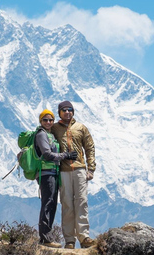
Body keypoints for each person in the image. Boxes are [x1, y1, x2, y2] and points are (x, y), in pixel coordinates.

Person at [51, 101, 96, 249]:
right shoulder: (54, 128)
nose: (67, 112)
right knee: (67, 204)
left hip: (80, 170)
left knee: (82, 202)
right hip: (63, 171)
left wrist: (91, 169)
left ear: (73, 111)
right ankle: (69, 240)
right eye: (64, 110)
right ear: (59, 112)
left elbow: (89, 147)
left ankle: (84, 237)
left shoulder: (81, 128)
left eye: (70, 109)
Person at [35, 109, 78, 248]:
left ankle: (47, 237)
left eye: (50, 120)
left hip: (52, 172)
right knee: (48, 204)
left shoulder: (49, 134)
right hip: (46, 173)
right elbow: (47, 154)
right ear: (41, 121)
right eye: (45, 120)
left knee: (51, 203)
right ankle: (45, 238)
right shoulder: (41, 134)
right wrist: (65, 155)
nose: (48, 122)